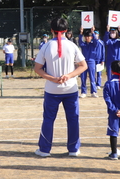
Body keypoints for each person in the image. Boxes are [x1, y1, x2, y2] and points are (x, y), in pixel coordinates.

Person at [34, 17, 87, 157]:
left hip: (52, 89)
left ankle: (44, 150)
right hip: (71, 89)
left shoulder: (45, 46)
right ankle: (73, 149)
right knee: (73, 119)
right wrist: (69, 76)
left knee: (48, 119)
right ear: (66, 30)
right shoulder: (72, 46)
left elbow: (37, 68)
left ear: (51, 30)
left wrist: (52, 78)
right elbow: (83, 66)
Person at [103, 60, 120, 160]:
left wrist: (115, 110)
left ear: (112, 71)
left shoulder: (108, 84)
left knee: (113, 132)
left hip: (114, 113)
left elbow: (108, 100)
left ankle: (114, 153)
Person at [79, 26, 99, 98]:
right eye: (86, 37)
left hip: (91, 62)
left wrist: (93, 32)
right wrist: (81, 32)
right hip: (83, 62)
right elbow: (80, 42)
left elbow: (96, 41)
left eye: (89, 36)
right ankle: (83, 92)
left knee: (92, 77)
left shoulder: (93, 44)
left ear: (91, 37)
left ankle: (93, 91)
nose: (87, 38)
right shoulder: (83, 45)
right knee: (83, 77)